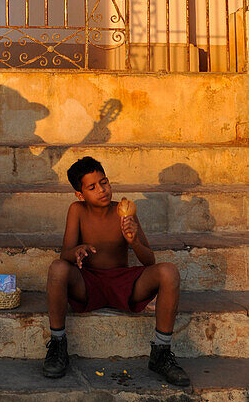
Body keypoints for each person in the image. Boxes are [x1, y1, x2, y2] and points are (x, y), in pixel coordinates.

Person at [42, 155, 190, 387]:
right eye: (92, 187)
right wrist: (77, 251)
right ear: (80, 195)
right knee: (58, 268)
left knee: (168, 272)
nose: (102, 190)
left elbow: (148, 260)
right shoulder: (77, 210)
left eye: (104, 182)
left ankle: (161, 352)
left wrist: (133, 241)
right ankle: (58, 345)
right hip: (89, 282)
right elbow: (65, 254)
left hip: (123, 283)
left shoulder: (124, 210)